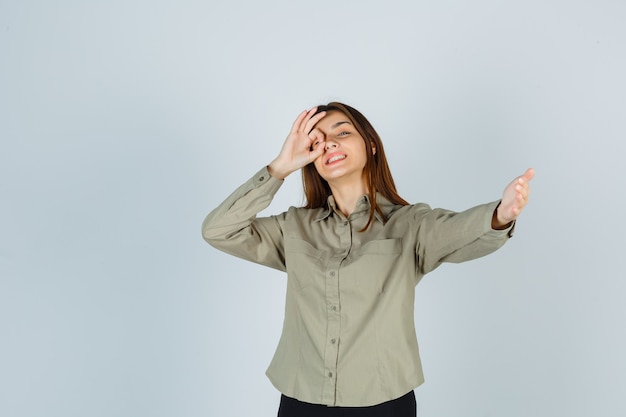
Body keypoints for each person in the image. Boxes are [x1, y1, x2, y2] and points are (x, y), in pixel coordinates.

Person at [202, 102, 534, 417]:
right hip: (301, 399)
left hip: (382, 402)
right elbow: (218, 230)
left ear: (371, 144)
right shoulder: (294, 228)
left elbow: (460, 231)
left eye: (342, 132)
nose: (330, 143)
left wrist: (500, 214)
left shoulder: (409, 224)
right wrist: (279, 168)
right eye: (318, 140)